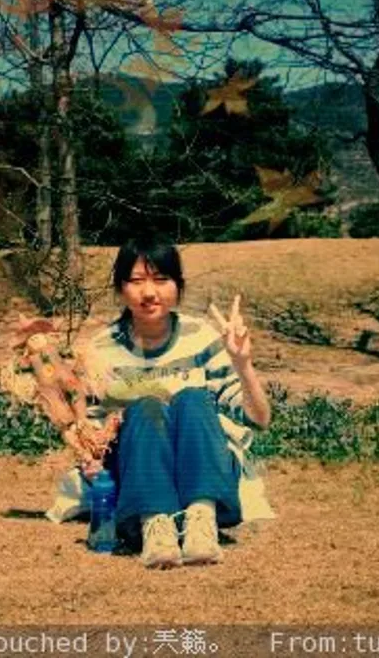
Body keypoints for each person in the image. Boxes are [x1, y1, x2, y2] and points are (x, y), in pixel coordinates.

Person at [46, 232, 275, 568]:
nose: (149, 292)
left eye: (161, 279)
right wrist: (90, 460)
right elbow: (90, 428)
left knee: (193, 398)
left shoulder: (202, 338)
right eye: (136, 281)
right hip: (137, 478)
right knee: (145, 406)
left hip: (206, 473)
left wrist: (243, 364)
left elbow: (259, 419)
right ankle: (155, 526)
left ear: (178, 286)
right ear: (120, 288)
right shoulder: (101, 350)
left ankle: (201, 522)